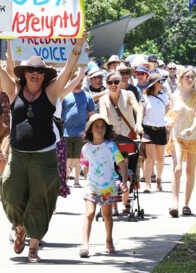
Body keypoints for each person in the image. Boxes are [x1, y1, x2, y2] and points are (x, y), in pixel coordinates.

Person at [0, 33, 87, 263]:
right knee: (9, 189)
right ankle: (19, 227)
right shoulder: (14, 90)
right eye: (30, 70)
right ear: (24, 74)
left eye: (38, 71)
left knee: (41, 199)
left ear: (44, 75)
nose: (34, 73)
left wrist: (77, 49)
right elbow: (3, 69)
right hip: (17, 155)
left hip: (44, 157)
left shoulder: (51, 92)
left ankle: (34, 245)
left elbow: (68, 70)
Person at [79, 114, 128, 258]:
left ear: (106, 129)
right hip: (92, 186)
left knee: (107, 215)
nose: (100, 129)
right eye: (96, 127)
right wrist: (86, 176)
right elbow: (85, 166)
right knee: (89, 213)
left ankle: (109, 239)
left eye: (102, 127)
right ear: (90, 130)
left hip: (108, 187)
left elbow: (122, 164)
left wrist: (124, 182)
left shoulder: (110, 146)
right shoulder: (86, 148)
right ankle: (85, 244)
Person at [166, 67, 196, 217]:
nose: (190, 79)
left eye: (192, 77)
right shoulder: (174, 95)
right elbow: (172, 114)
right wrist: (169, 123)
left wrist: (191, 127)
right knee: (177, 168)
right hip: (178, 135)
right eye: (187, 77)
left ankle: (186, 204)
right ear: (181, 78)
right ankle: (174, 203)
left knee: (190, 170)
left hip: (195, 135)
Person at [99, 71, 143, 215]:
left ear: (121, 82)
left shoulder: (128, 95)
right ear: (106, 84)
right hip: (113, 139)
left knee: (127, 168)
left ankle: (126, 201)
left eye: (116, 82)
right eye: (110, 82)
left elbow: (139, 108)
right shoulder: (104, 100)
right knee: (113, 170)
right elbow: (104, 117)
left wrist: (138, 124)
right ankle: (114, 205)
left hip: (128, 137)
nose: (113, 85)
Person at [62, 69, 96, 188]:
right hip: (66, 132)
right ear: (72, 80)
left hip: (80, 132)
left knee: (77, 157)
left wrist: (89, 130)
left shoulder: (87, 96)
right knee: (66, 158)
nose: (79, 82)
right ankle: (65, 180)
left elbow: (92, 115)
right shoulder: (65, 95)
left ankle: (76, 180)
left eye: (81, 80)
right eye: (76, 80)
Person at [141, 74, 169, 193]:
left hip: (161, 129)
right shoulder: (145, 97)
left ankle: (159, 180)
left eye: (162, 81)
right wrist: (138, 125)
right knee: (149, 158)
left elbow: (168, 112)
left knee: (161, 158)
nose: (161, 83)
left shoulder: (164, 97)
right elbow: (140, 112)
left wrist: (168, 127)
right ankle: (147, 184)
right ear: (154, 84)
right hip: (148, 129)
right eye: (160, 81)